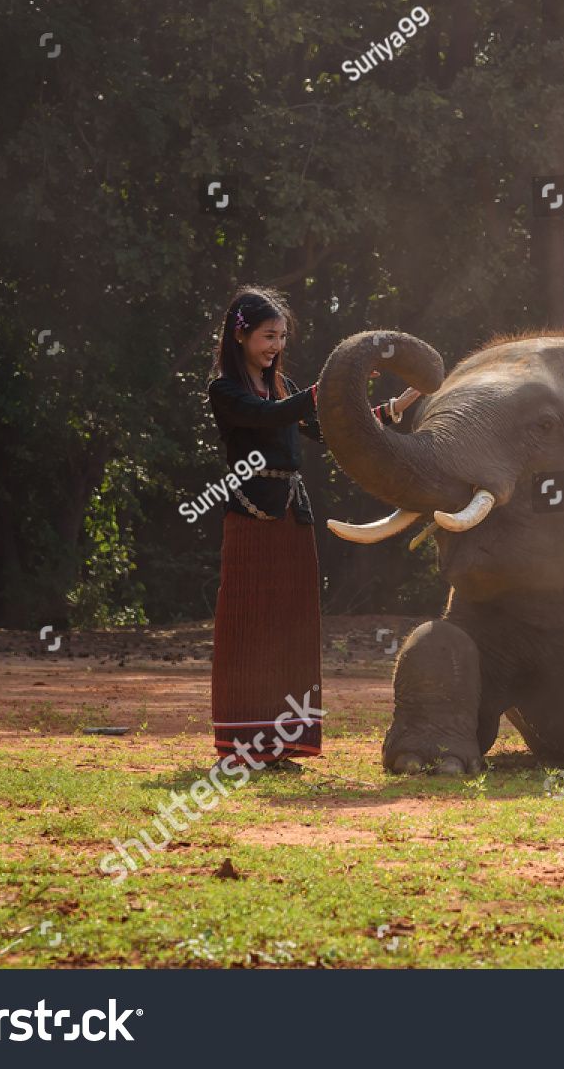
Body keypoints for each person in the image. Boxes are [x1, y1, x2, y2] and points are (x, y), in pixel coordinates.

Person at [206, 286, 417, 769]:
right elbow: (267, 417)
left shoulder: (280, 388)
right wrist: (329, 386)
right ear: (240, 336)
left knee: (291, 626)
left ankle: (280, 746)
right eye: (267, 336)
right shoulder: (226, 390)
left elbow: (322, 428)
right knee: (247, 624)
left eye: (281, 337)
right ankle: (240, 749)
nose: (276, 345)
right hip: (251, 510)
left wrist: (389, 409)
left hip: (291, 513)